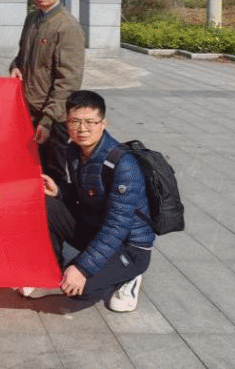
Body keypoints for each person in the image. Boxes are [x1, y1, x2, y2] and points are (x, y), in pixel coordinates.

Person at [18, 90, 154, 312]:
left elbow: (117, 227)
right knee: (44, 204)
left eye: (90, 122)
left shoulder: (124, 165)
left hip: (129, 246)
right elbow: (85, 193)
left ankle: (129, 275)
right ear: (67, 122)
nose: (82, 129)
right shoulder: (74, 150)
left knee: (79, 290)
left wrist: (82, 268)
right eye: (75, 121)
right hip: (97, 228)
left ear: (103, 123)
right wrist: (59, 191)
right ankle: (50, 271)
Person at [10, 0, 85, 178]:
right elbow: (22, 57)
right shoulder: (32, 19)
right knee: (28, 173)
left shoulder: (67, 27)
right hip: (28, 111)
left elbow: (68, 81)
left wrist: (48, 120)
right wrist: (15, 67)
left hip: (52, 119)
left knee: (53, 177)